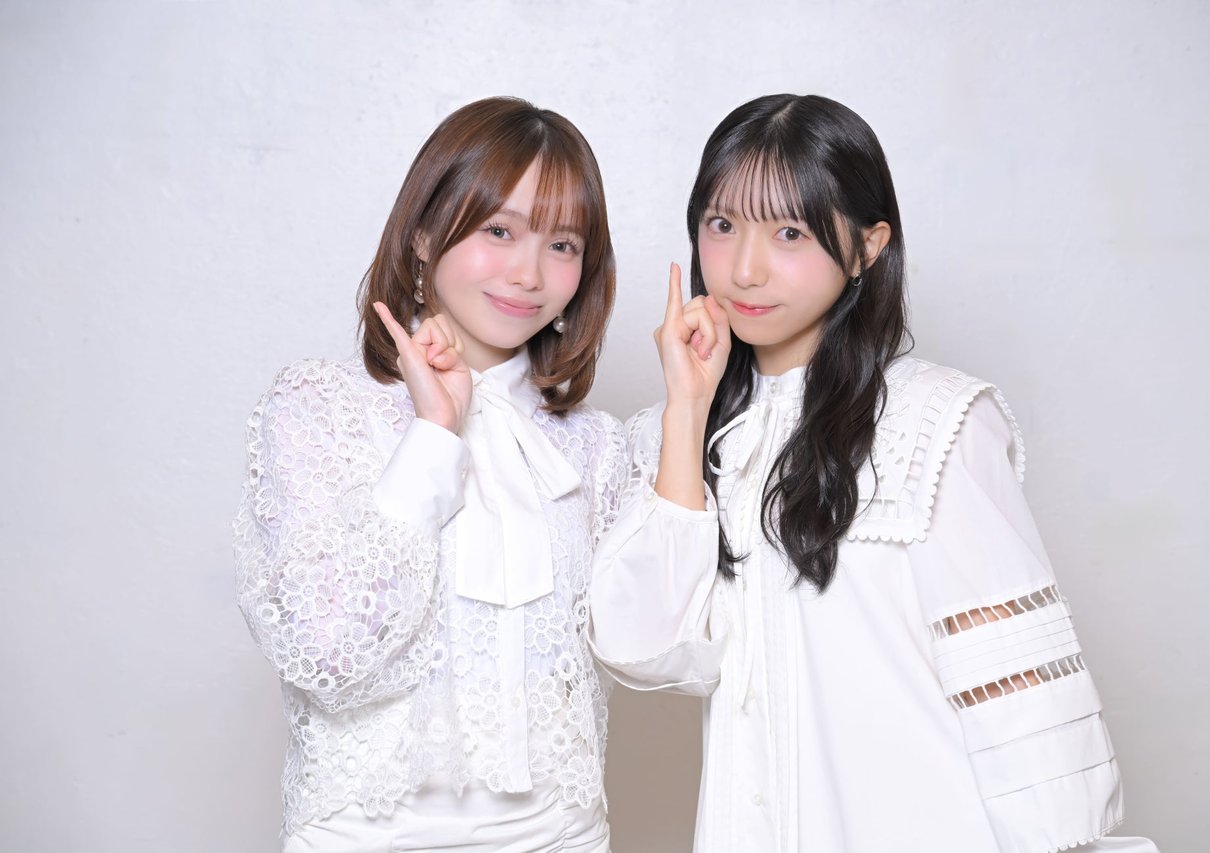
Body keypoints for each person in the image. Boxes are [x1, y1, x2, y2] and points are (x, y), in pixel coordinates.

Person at [588, 94, 1159, 853]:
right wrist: (687, 412)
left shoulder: (936, 421)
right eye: (722, 225)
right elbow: (647, 648)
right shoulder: (685, 439)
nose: (744, 268)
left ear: (866, 246)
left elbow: (1021, 699)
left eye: (789, 232)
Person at [234, 96, 625, 852]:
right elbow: (324, 649)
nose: (528, 273)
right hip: (365, 837)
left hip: (561, 837)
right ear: (423, 234)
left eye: (562, 244)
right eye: (498, 231)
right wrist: (433, 435)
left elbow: (654, 652)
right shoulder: (320, 408)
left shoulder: (593, 448)